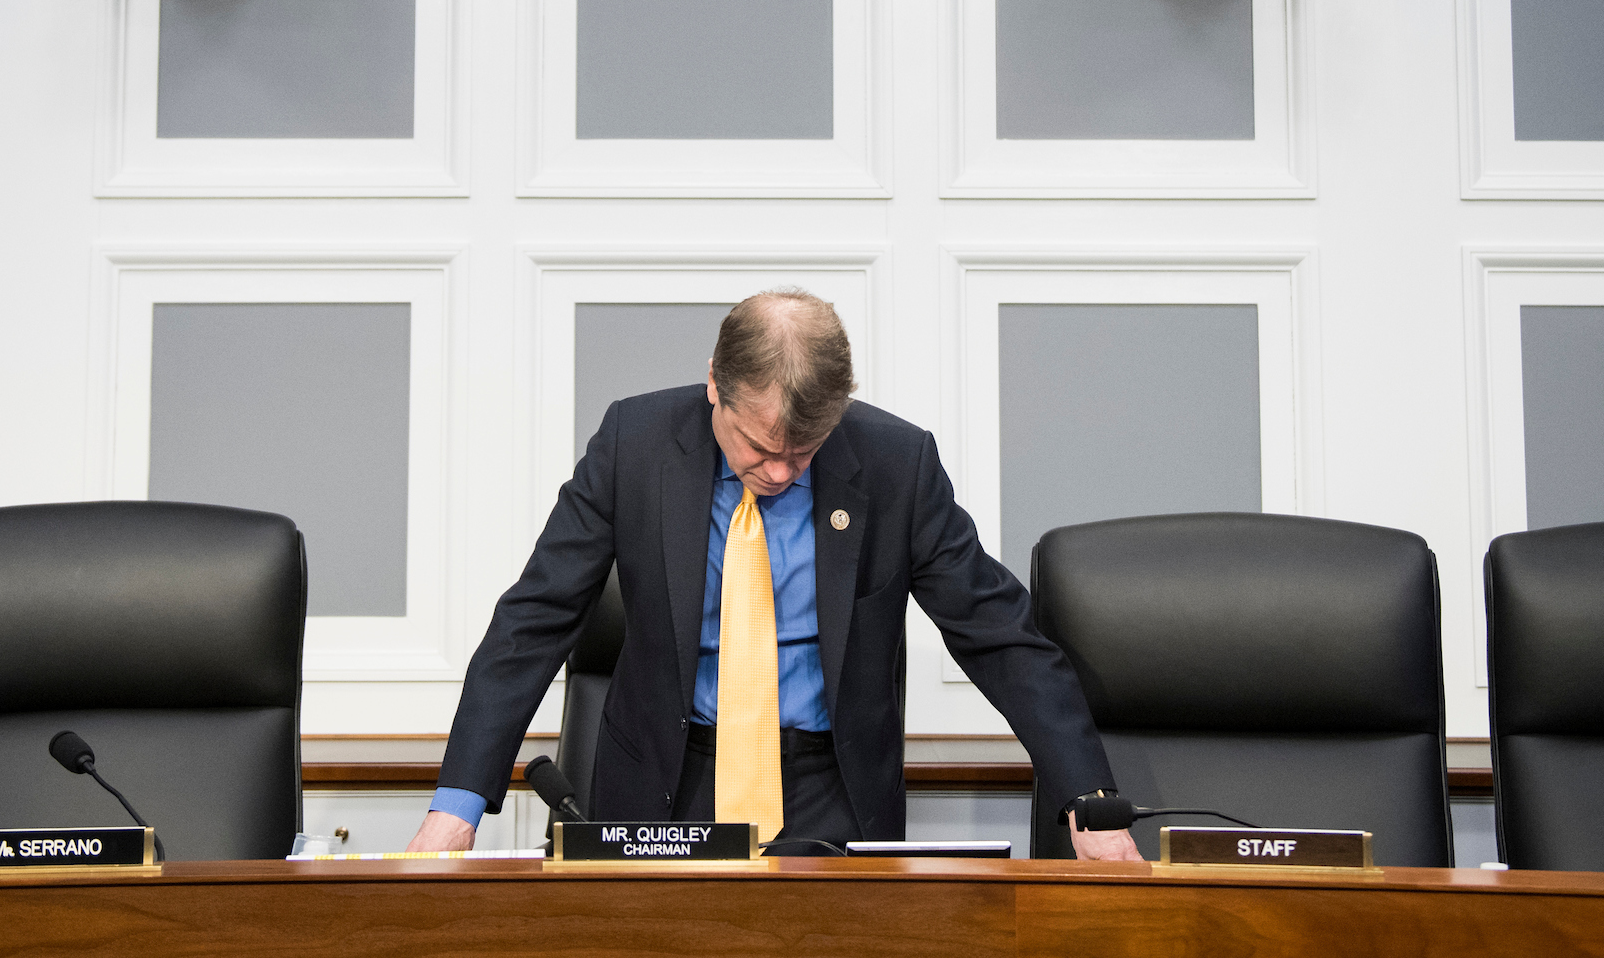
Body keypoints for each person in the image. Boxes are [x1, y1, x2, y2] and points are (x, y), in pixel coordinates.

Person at [407, 289, 1143, 860]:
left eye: (807, 450)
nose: (783, 472)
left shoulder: (895, 465)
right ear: (713, 388)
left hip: (833, 790)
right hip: (668, 777)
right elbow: (534, 620)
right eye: (759, 447)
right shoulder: (634, 446)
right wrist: (458, 802)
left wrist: (1091, 796)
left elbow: (999, 634)